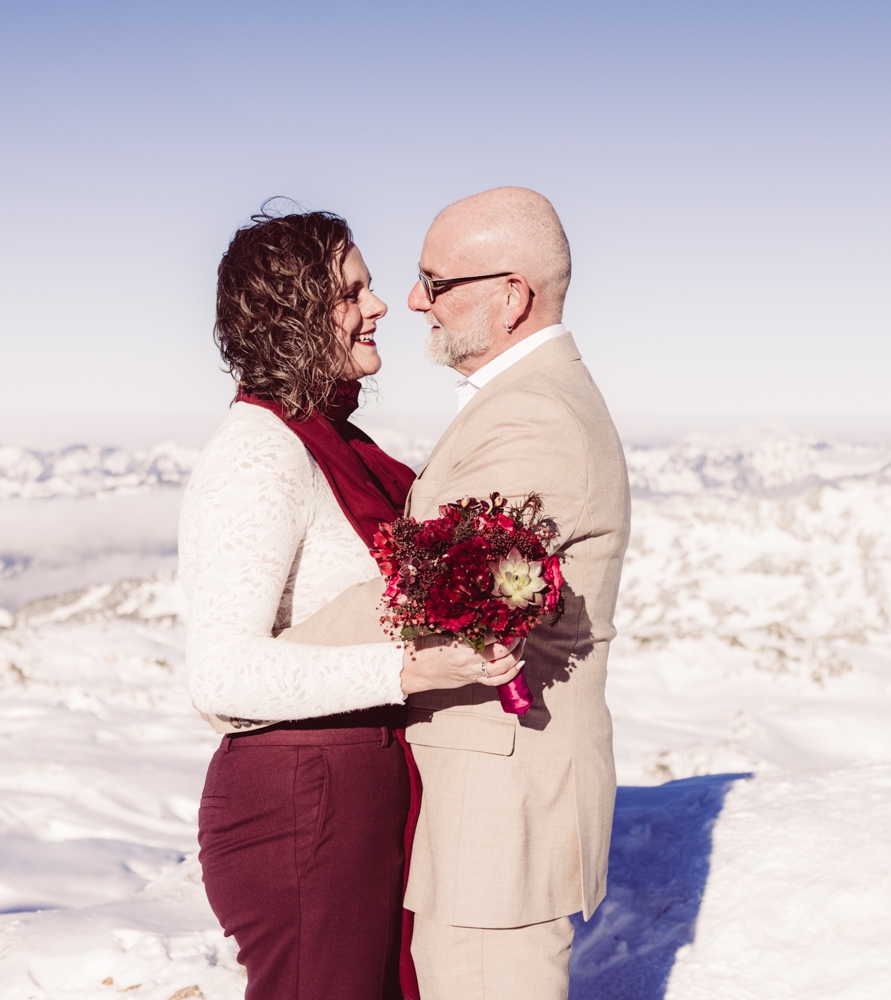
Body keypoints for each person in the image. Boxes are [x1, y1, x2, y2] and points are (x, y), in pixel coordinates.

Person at [179, 207, 522, 1000]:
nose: (380, 307)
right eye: (352, 292)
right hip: (301, 803)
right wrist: (413, 668)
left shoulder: (334, 446)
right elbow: (221, 674)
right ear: (293, 314)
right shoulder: (259, 455)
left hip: (349, 793)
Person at [298, 187, 632, 1000]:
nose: (413, 300)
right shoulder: (519, 404)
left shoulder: (536, 420)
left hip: (499, 815)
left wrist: (270, 658)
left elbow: (434, 590)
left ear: (511, 296)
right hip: (485, 802)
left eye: (434, 282)